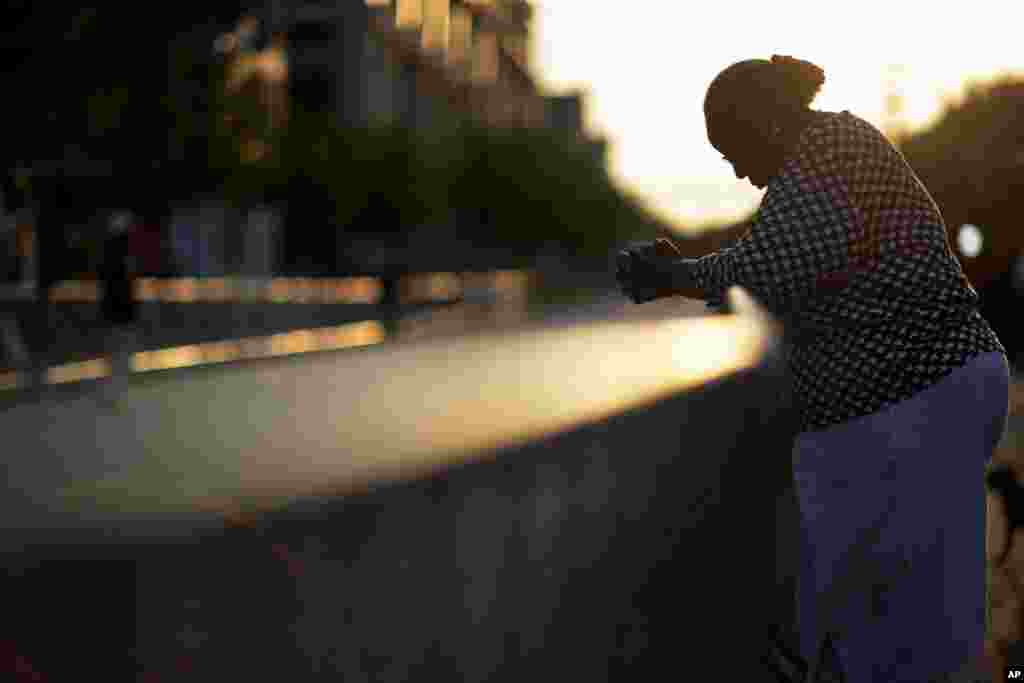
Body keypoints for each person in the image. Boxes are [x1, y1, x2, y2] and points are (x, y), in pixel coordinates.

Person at [616, 55, 1009, 682]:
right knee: (907, 619)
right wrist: (689, 268)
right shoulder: (818, 158)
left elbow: (774, 265)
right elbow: (775, 249)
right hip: (917, 395)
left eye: (735, 151)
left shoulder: (828, 147)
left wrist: (678, 277)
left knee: (914, 628)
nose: (743, 174)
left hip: (917, 392)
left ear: (764, 123)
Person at [99, 210, 140, 406]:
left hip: (115, 309)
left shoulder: (111, 252)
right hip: (120, 309)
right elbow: (124, 282)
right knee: (120, 353)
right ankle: (116, 391)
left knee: (116, 353)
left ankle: (115, 391)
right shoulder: (120, 254)